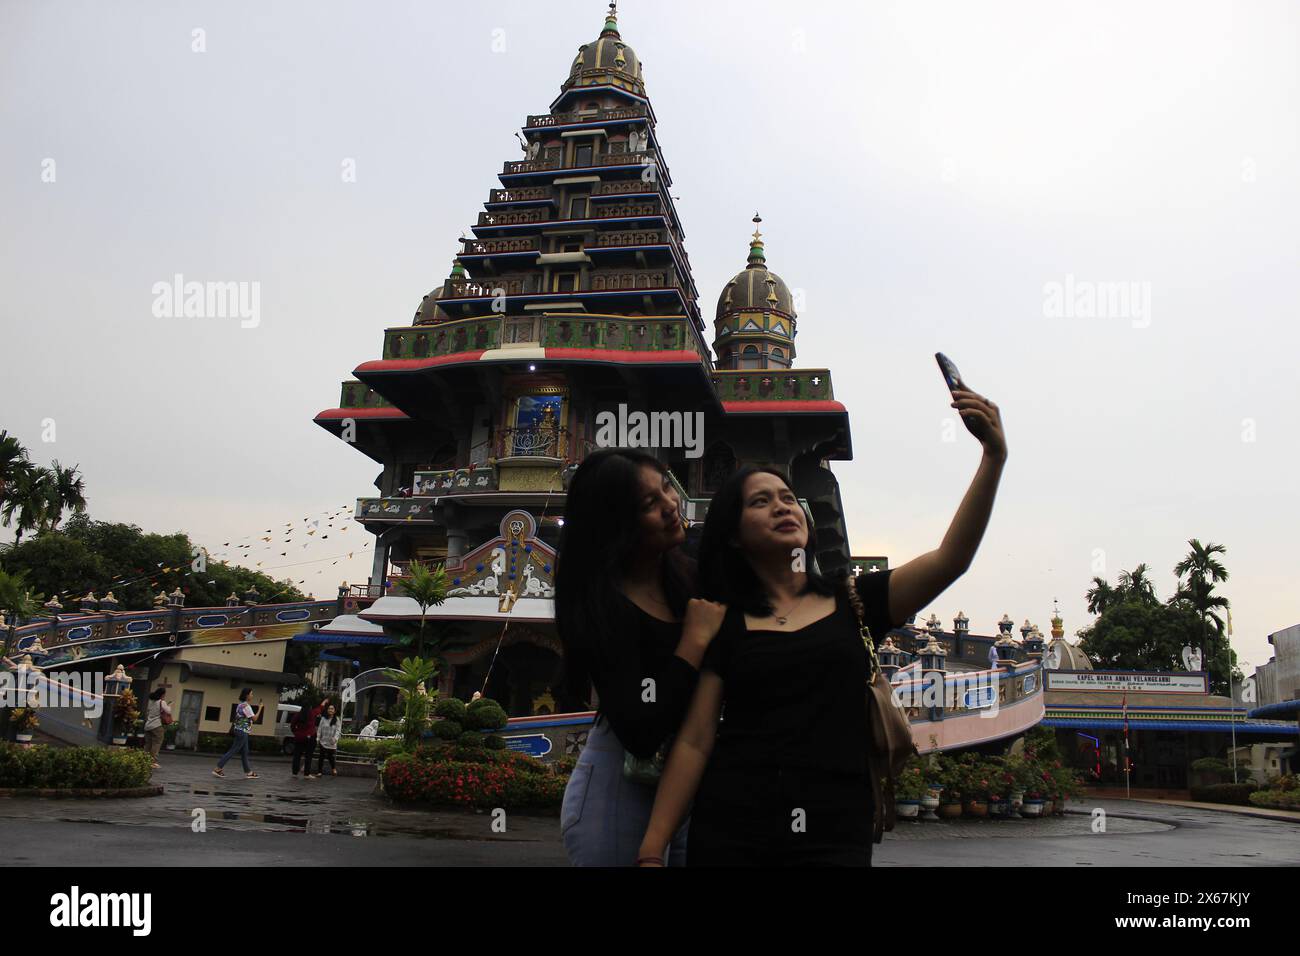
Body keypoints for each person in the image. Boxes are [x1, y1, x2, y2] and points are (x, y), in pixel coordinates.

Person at [637, 386, 1007, 866]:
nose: (783, 507)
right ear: (733, 535)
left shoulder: (854, 600)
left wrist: (993, 457)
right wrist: (651, 849)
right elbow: (695, 738)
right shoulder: (723, 622)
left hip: (835, 830)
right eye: (761, 502)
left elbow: (952, 558)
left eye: (789, 498)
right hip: (733, 827)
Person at [554, 448, 727, 867]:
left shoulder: (688, 576)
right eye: (650, 504)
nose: (671, 505)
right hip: (619, 784)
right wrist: (694, 640)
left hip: (689, 778)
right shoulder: (598, 605)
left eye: (667, 486)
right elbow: (641, 731)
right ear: (616, 524)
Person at [214, 689, 263, 778]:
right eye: (251, 694)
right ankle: (218, 768)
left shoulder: (240, 705)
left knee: (245, 751)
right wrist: (260, 708)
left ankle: (249, 772)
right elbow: (254, 719)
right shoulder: (246, 706)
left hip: (240, 730)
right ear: (246, 695)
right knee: (233, 750)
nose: (252, 696)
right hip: (242, 731)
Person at [291, 697, 328, 779]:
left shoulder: (297, 715)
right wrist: (324, 701)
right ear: (310, 706)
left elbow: (292, 725)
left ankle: (294, 773)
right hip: (310, 737)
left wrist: (296, 733)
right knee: (308, 756)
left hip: (299, 738)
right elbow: (320, 708)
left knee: (297, 755)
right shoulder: (312, 713)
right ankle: (306, 774)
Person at [143, 686, 172, 769]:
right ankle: (153, 762)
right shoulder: (161, 702)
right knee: (156, 743)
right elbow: (168, 711)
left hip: (148, 725)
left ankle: (144, 760)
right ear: (162, 694)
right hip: (157, 725)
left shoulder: (151, 701)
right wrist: (169, 706)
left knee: (148, 744)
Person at [315, 703, 342, 776]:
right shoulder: (323, 718)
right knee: (321, 756)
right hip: (323, 741)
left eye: (332, 709)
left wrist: (335, 738)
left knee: (330, 757)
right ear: (327, 710)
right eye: (329, 708)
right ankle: (319, 772)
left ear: (335, 711)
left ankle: (333, 769)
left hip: (331, 742)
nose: (330, 710)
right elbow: (319, 729)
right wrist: (318, 738)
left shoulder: (337, 719)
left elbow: (338, 730)